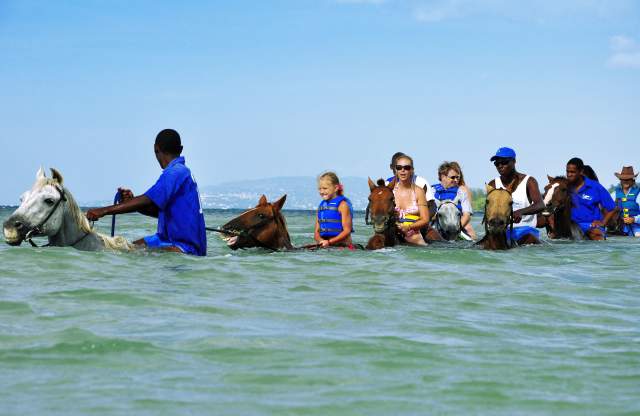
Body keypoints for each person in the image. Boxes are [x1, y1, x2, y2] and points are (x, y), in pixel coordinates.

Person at [86, 129, 207, 256]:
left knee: (136, 254)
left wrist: (103, 211)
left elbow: (147, 199)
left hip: (185, 247)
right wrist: (131, 201)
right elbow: (158, 211)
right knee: (127, 249)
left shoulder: (175, 172)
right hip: (164, 239)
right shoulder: (181, 172)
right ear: (181, 149)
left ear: (156, 149)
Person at [487, 147, 545, 244]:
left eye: (504, 162)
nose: (500, 166)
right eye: (497, 163)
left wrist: (521, 212)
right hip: (502, 230)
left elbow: (540, 205)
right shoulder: (493, 184)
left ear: (514, 161)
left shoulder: (529, 181)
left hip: (526, 231)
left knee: (529, 239)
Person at [566, 157, 616, 240]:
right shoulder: (565, 187)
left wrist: (603, 222)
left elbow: (613, 208)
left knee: (596, 234)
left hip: (591, 225)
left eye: (572, 172)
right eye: (567, 171)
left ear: (581, 171)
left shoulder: (595, 187)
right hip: (571, 226)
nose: (569, 174)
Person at [432, 161, 476, 239]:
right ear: (443, 176)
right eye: (452, 177)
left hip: (457, 225)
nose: (456, 180)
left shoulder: (461, 192)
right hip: (436, 224)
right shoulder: (432, 191)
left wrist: (457, 230)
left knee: (470, 231)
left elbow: (467, 215)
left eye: (457, 177)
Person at [393, 155, 429, 245]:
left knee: (420, 243)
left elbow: (425, 219)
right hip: (393, 230)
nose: (403, 170)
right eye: (399, 167)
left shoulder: (419, 191)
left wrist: (408, 227)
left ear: (412, 170)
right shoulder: (391, 190)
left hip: (412, 232)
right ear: (396, 170)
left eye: (407, 167)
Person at [314, 172, 354, 248]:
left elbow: (347, 231)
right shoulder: (321, 207)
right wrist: (320, 241)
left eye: (325, 188)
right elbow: (316, 233)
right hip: (326, 245)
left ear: (335, 188)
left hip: (342, 246)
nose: (322, 192)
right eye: (319, 189)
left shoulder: (343, 205)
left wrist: (329, 242)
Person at [610, 166, 640, 237]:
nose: (625, 181)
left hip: (635, 227)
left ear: (633, 180)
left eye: (628, 179)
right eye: (623, 179)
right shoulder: (613, 194)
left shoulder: (639, 194)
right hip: (618, 227)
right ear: (620, 180)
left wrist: (634, 219)